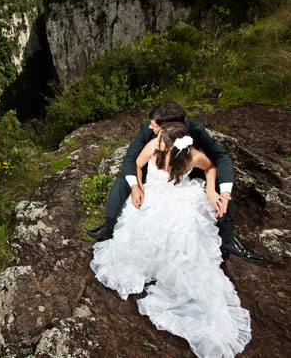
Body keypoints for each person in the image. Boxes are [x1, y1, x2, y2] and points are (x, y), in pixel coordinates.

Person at [90, 122, 251, 357]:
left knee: (185, 235)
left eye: (163, 140)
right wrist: (138, 188)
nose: (158, 140)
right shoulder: (153, 145)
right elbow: (136, 163)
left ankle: (174, 279)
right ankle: (152, 267)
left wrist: (211, 191)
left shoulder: (193, 156)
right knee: (143, 227)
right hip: (153, 197)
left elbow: (211, 167)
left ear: (176, 146)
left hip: (181, 200)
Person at [87, 101, 266, 260]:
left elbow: (219, 158)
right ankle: (109, 226)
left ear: (168, 127)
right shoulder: (147, 132)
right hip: (154, 168)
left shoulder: (195, 130)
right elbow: (131, 160)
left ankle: (227, 237)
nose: (151, 128)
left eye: (154, 125)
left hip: (184, 170)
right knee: (122, 180)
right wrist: (136, 187)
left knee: (221, 187)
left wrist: (218, 191)